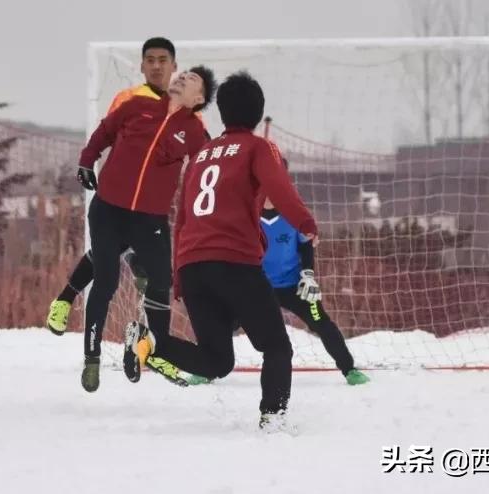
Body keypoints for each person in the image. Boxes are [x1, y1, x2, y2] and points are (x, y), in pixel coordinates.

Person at [127, 71, 317, 430]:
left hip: (194, 265)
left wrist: (179, 277)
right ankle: (273, 418)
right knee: (277, 347)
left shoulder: (200, 156)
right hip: (235, 263)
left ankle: (153, 341)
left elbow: (181, 217)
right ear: (258, 114)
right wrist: (306, 225)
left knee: (217, 362)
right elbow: (280, 188)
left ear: (222, 112)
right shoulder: (258, 147)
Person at [76, 40, 216, 392]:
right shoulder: (136, 105)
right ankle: (91, 357)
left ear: (198, 99)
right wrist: (86, 160)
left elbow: (205, 169)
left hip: (150, 219)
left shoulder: (195, 129)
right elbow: (104, 133)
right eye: (181, 76)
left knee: (162, 282)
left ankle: (154, 347)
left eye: (189, 79)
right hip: (108, 209)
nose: (180, 79)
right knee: (106, 279)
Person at [259, 195, 369, 385]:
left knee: (320, 321)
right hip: (258, 286)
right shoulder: (248, 214)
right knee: (227, 320)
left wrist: (308, 275)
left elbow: (306, 247)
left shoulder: (294, 214)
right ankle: (208, 368)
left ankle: (349, 369)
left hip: (294, 286)